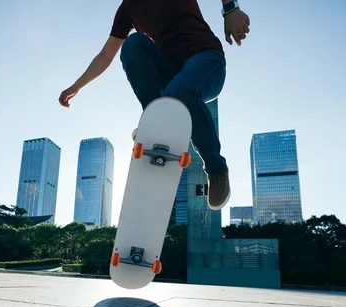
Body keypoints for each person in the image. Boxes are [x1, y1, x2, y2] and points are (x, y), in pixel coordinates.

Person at [59, 0, 250, 210]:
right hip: (172, 73)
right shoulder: (128, 8)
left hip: (207, 61)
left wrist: (231, 9)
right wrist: (76, 86)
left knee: (178, 92)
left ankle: (216, 169)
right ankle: (156, 120)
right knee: (133, 44)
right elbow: (106, 55)